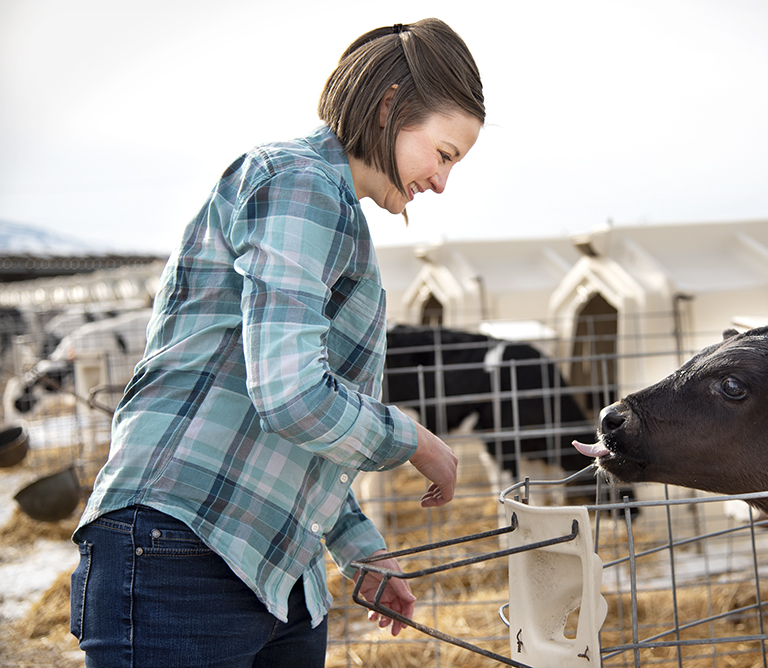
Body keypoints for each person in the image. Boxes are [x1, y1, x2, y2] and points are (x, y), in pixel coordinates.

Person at [69, 18, 485, 668]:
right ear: (389, 107)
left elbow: (306, 422)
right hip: (184, 549)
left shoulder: (335, 212)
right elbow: (291, 395)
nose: (441, 181)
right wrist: (415, 439)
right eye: (444, 153)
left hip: (277, 566)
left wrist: (358, 546)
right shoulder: (298, 184)